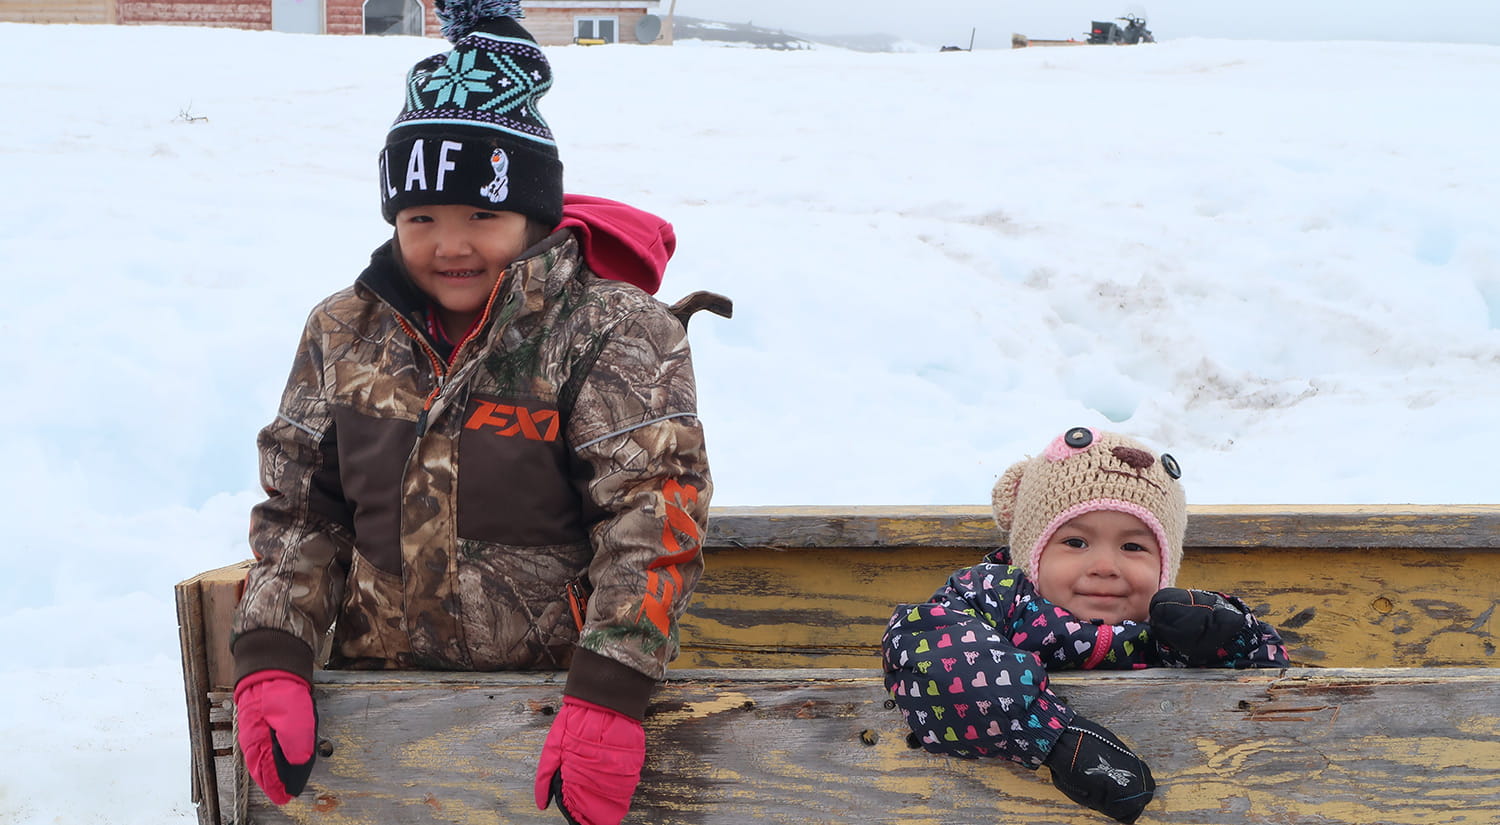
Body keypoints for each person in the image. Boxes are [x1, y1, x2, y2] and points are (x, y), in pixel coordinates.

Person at [227, 3, 715, 824]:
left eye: (481, 215)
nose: (450, 243)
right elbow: (301, 509)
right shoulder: (343, 329)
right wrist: (273, 654)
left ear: (532, 214)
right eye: (422, 218)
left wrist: (610, 690)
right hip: (375, 702)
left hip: (553, 703)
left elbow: (653, 513)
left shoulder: (611, 332)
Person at [881, 426, 1288, 824]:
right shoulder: (992, 598)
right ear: (1031, 553)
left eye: (1133, 547)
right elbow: (929, 650)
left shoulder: (1168, 628)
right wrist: (1053, 739)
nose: (1105, 567)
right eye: (1076, 543)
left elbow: (1270, 684)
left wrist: (1230, 637)